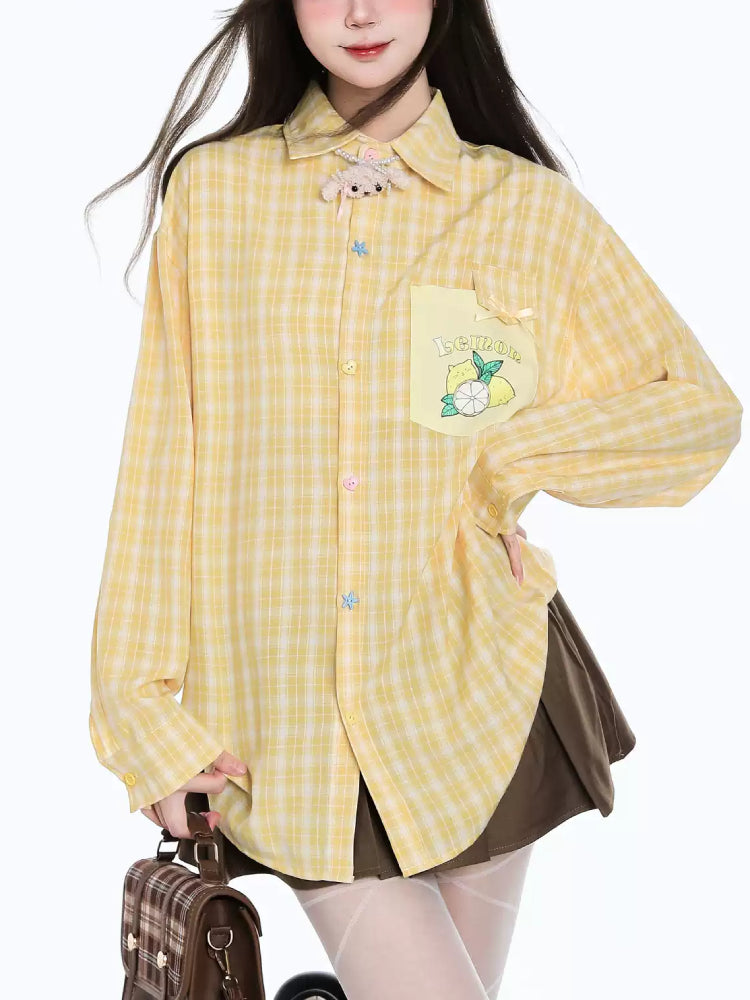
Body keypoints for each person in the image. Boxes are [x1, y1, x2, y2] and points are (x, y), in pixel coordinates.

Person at [85, 3, 743, 998]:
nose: (359, 12)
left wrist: (509, 456)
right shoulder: (217, 198)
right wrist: (141, 714)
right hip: (288, 714)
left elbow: (696, 412)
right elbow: (162, 462)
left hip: (481, 681)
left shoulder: (527, 210)